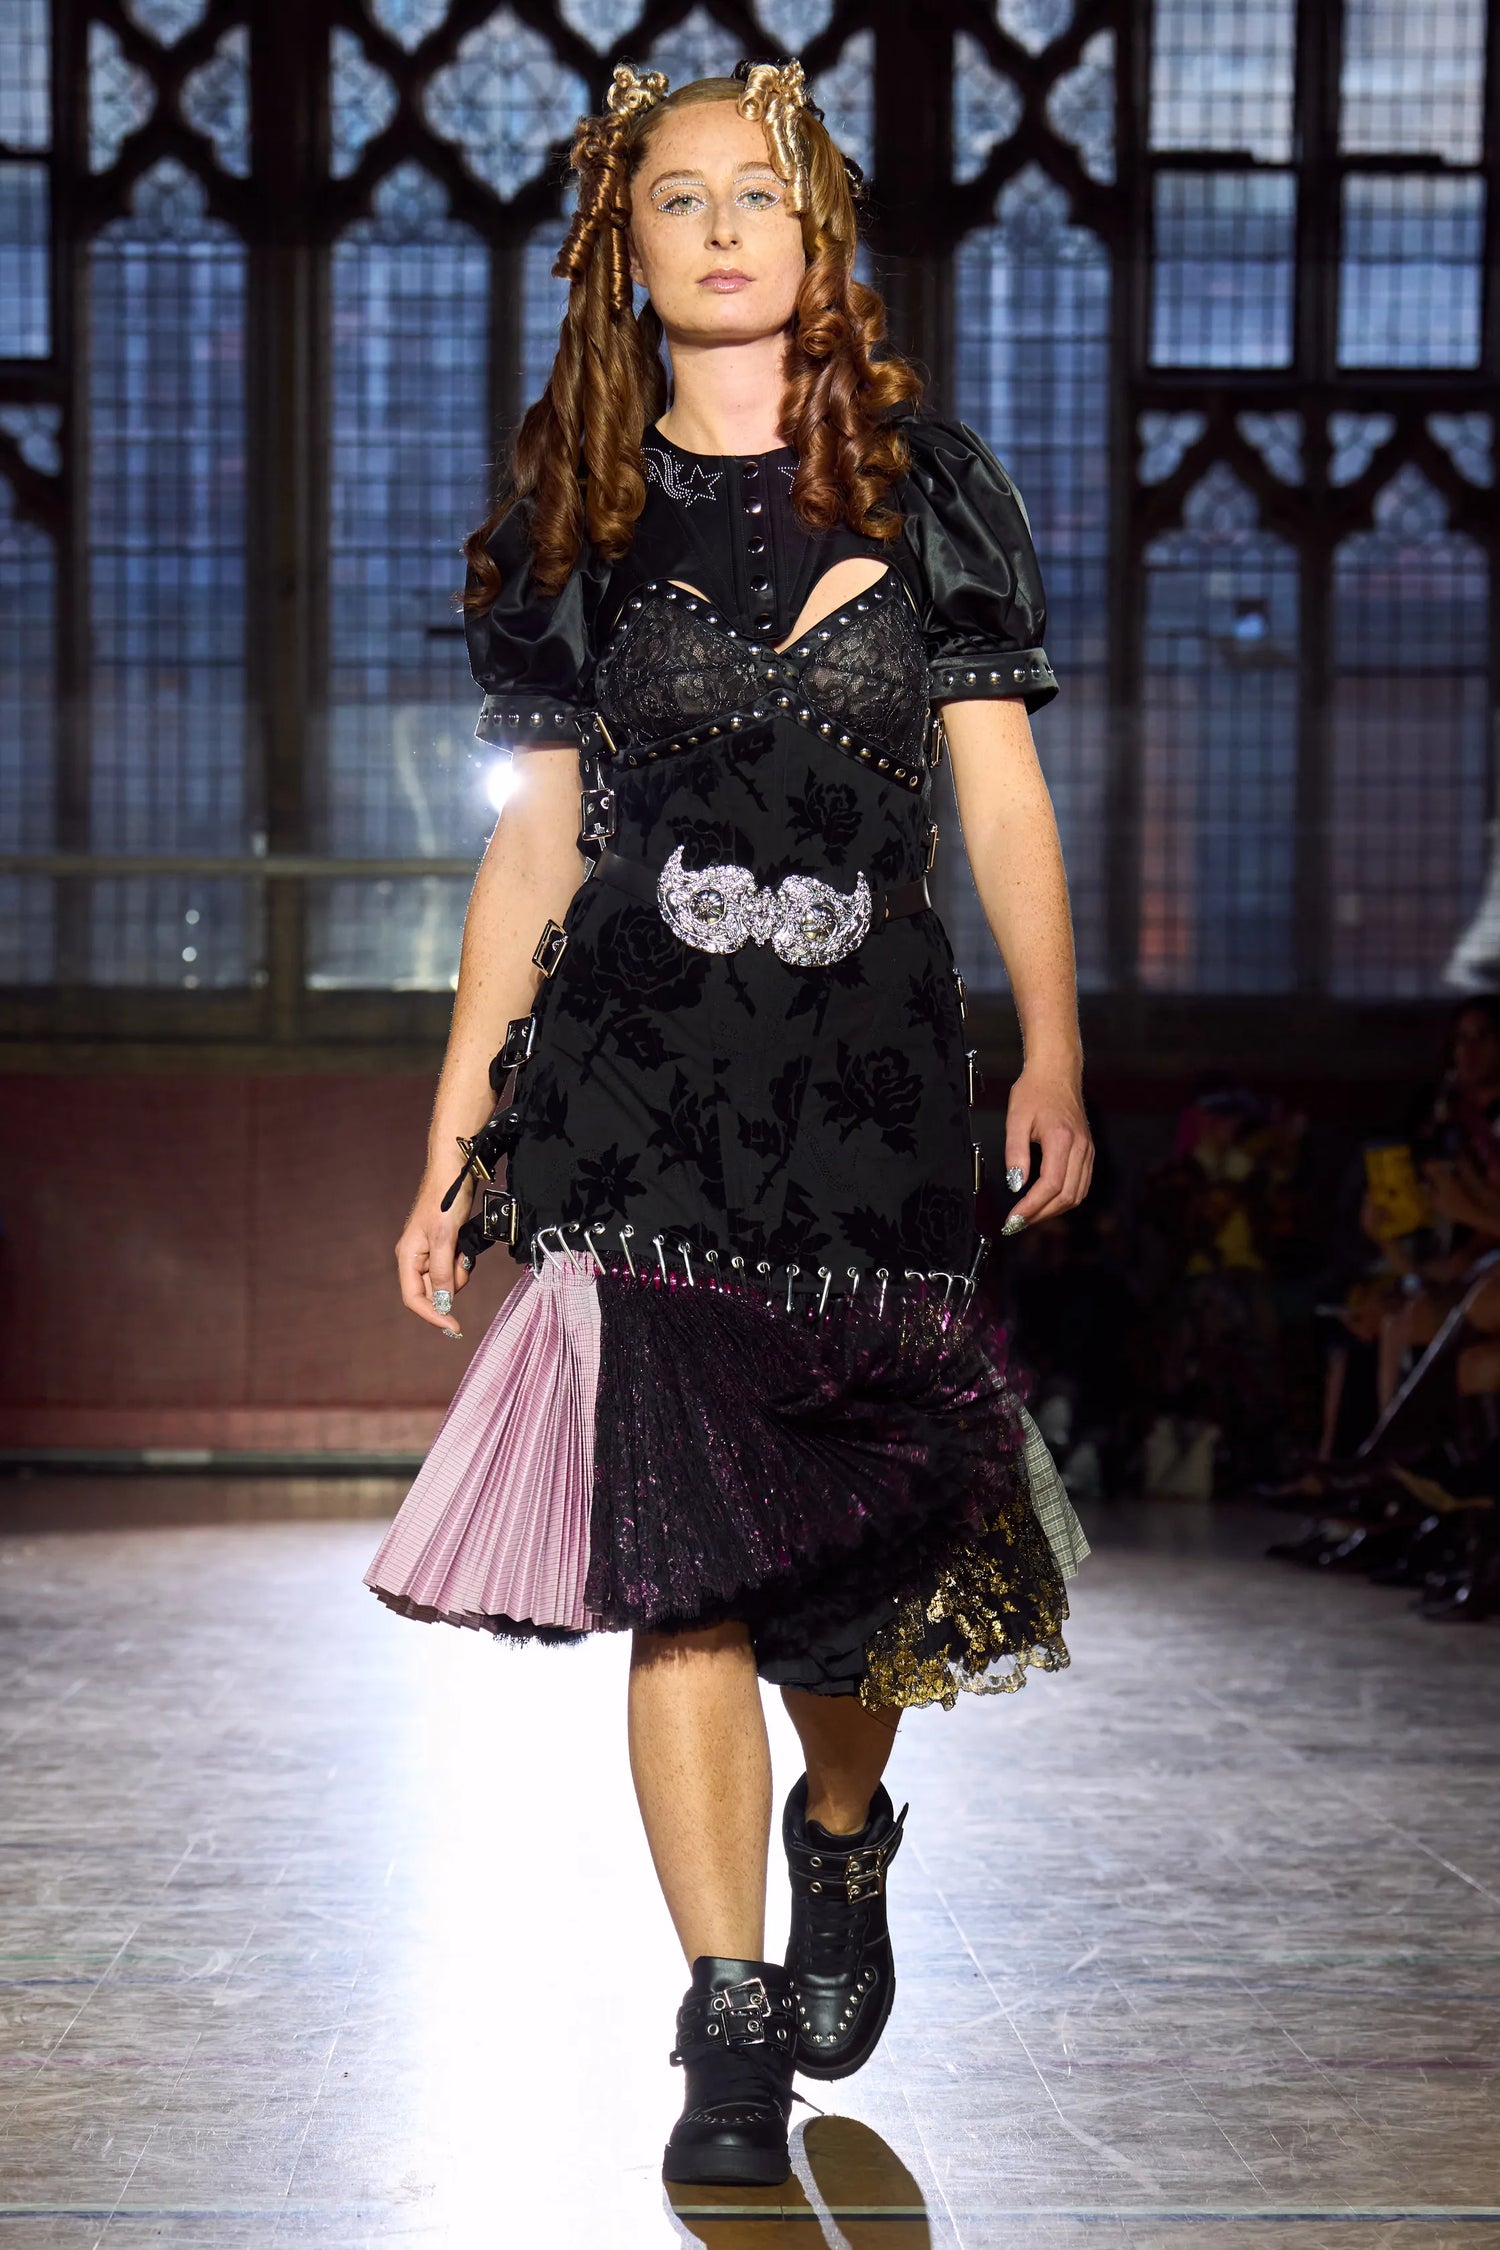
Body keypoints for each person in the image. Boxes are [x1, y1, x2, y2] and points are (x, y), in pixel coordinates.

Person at [364, 59, 1092, 2188]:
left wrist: (1053, 1051)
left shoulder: (933, 487)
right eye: (674, 197)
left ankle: (841, 1827)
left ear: (816, 227)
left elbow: (1002, 797)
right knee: (681, 1575)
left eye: (755, 192)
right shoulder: (576, 515)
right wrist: (455, 1141)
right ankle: (729, 2017)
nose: (719, 228)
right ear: (622, 241)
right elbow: (530, 854)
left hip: (874, 1099)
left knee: (855, 1578)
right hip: (640, 1103)